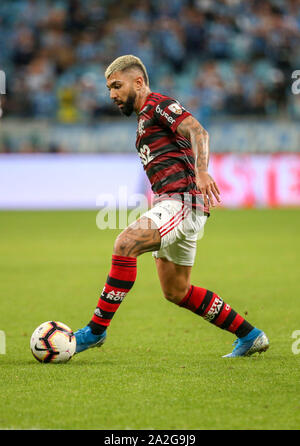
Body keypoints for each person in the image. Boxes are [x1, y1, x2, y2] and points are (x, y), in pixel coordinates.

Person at [74, 55, 269, 358]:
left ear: (138, 82)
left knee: (125, 243)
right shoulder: (142, 119)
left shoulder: (158, 104)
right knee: (176, 291)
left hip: (183, 201)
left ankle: (95, 331)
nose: (112, 94)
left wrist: (202, 171)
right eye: (109, 89)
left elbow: (198, 131)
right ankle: (250, 335)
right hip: (176, 204)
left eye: (116, 85)